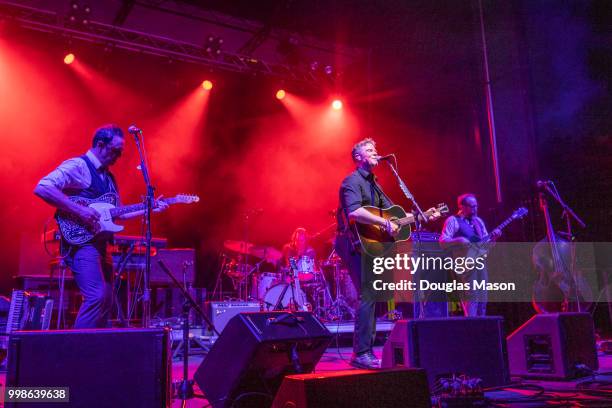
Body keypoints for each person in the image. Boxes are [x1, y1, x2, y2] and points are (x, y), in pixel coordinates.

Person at [34, 124, 167, 328]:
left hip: (101, 245)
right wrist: (79, 210)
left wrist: (149, 208)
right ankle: (78, 351)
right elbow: (42, 187)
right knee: (96, 296)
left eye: (121, 152)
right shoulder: (78, 165)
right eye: (115, 151)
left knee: (107, 298)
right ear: (100, 145)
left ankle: (96, 351)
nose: (118, 156)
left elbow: (119, 213)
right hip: (81, 243)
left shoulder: (110, 177)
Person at [335, 138, 398, 369]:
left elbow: (393, 213)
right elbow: (354, 212)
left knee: (372, 294)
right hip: (351, 243)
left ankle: (365, 352)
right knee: (368, 293)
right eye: (370, 150)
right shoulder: (351, 181)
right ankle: (361, 353)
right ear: (358, 158)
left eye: (376, 149)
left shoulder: (374, 184)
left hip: (367, 243)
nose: (376, 153)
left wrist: (420, 216)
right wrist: (383, 222)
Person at [439, 193, 500, 316]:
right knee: (472, 296)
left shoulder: (478, 221)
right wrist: (458, 240)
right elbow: (442, 241)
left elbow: (485, 245)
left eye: (476, 206)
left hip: (480, 262)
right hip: (464, 264)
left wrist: (494, 239)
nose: (475, 209)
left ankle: (482, 327)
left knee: (483, 297)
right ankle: (471, 326)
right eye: (472, 206)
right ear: (462, 206)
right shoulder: (453, 220)